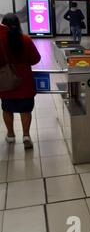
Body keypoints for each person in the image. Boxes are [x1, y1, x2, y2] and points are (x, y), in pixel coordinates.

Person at [0, 13, 41, 149]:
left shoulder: (0, 41)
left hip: (6, 80)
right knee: (25, 109)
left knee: (7, 108)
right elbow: (36, 59)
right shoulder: (26, 39)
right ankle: (26, 135)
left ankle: (11, 135)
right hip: (24, 80)